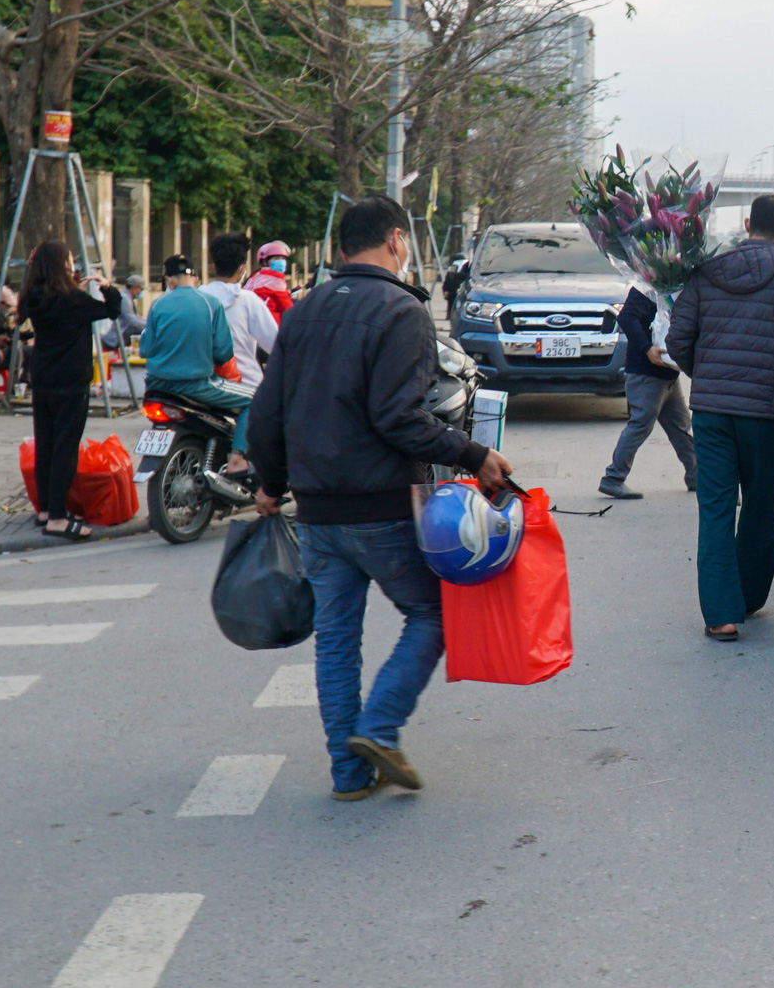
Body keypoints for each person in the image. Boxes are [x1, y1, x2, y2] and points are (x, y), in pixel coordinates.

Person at [249, 196, 513, 802]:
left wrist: (270, 481)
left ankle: (349, 773)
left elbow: (267, 410)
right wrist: (476, 455)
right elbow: (399, 418)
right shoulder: (402, 311)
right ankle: (379, 727)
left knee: (337, 638)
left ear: (342, 248)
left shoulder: (305, 311)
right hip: (383, 508)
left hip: (317, 510)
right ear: (397, 239)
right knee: (433, 614)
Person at [668, 194, 774, 642]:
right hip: (765, 414)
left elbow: (678, 338)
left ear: (746, 224)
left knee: (716, 508)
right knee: (759, 503)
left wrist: (706, 376)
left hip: (712, 413)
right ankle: (749, 595)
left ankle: (721, 615)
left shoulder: (704, 274)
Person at [18, 243, 121, 539]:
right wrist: (106, 287)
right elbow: (112, 311)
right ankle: (58, 519)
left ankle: (47, 510)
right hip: (71, 382)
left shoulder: (33, 296)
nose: (73, 263)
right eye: (69, 259)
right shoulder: (72, 299)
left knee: (46, 445)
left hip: (42, 378)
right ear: (61, 265)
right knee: (65, 448)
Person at [140, 253, 255, 473]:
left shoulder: (157, 305)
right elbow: (223, 353)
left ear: (169, 280)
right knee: (257, 400)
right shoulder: (211, 304)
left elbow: (146, 349)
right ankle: (237, 459)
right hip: (196, 385)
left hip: (156, 387)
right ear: (195, 279)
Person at [597, 288, 697, 500]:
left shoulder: (673, 287)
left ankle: (697, 477)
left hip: (667, 373)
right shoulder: (648, 288)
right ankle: (613, 478)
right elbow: (626, 317)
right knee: (640, 424)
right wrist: (647, 348)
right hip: (645, 372)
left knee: (680, 427)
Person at [201, 231, 279, 391]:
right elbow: (276, 344)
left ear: (213, 263)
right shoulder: (248, 301)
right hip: (246, 387)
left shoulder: (198, 298)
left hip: (204, 387)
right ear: (242, 268)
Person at [244, 240, 295, 321]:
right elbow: (288, 307)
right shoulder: (275, 278)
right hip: (269, 324)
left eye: (282, 258)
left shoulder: (255, 276)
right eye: (276, 258)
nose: (281, 261)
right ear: (265, 261)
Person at [103, 274, 148, 350]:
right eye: (140, 290)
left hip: (122, 333)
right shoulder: (124, 298)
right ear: (134, 288)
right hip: (116, 337)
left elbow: (136, 317)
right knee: (142, 330)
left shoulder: (127, 297)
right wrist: (149, 325)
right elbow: (133, 321)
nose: (140, 292)